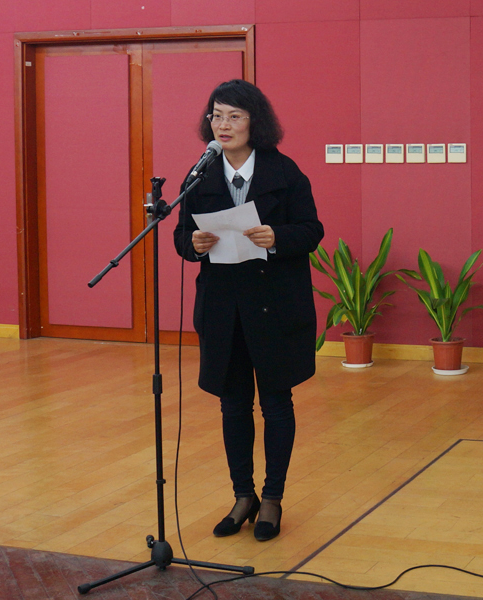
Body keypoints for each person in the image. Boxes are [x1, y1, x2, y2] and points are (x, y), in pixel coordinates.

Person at [173, 79, 323, 541]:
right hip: (224, 309)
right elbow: (181, 236)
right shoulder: (199, 174)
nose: (224, 125)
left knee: (276, 403)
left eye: (234, 116)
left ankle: (272, 497)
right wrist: (193, 243)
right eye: (217, 115)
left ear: (254, 122)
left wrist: (277, 237)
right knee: (233, 404)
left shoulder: (285, 171)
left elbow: (312, 230)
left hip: (274, 306)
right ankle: (243, 496)